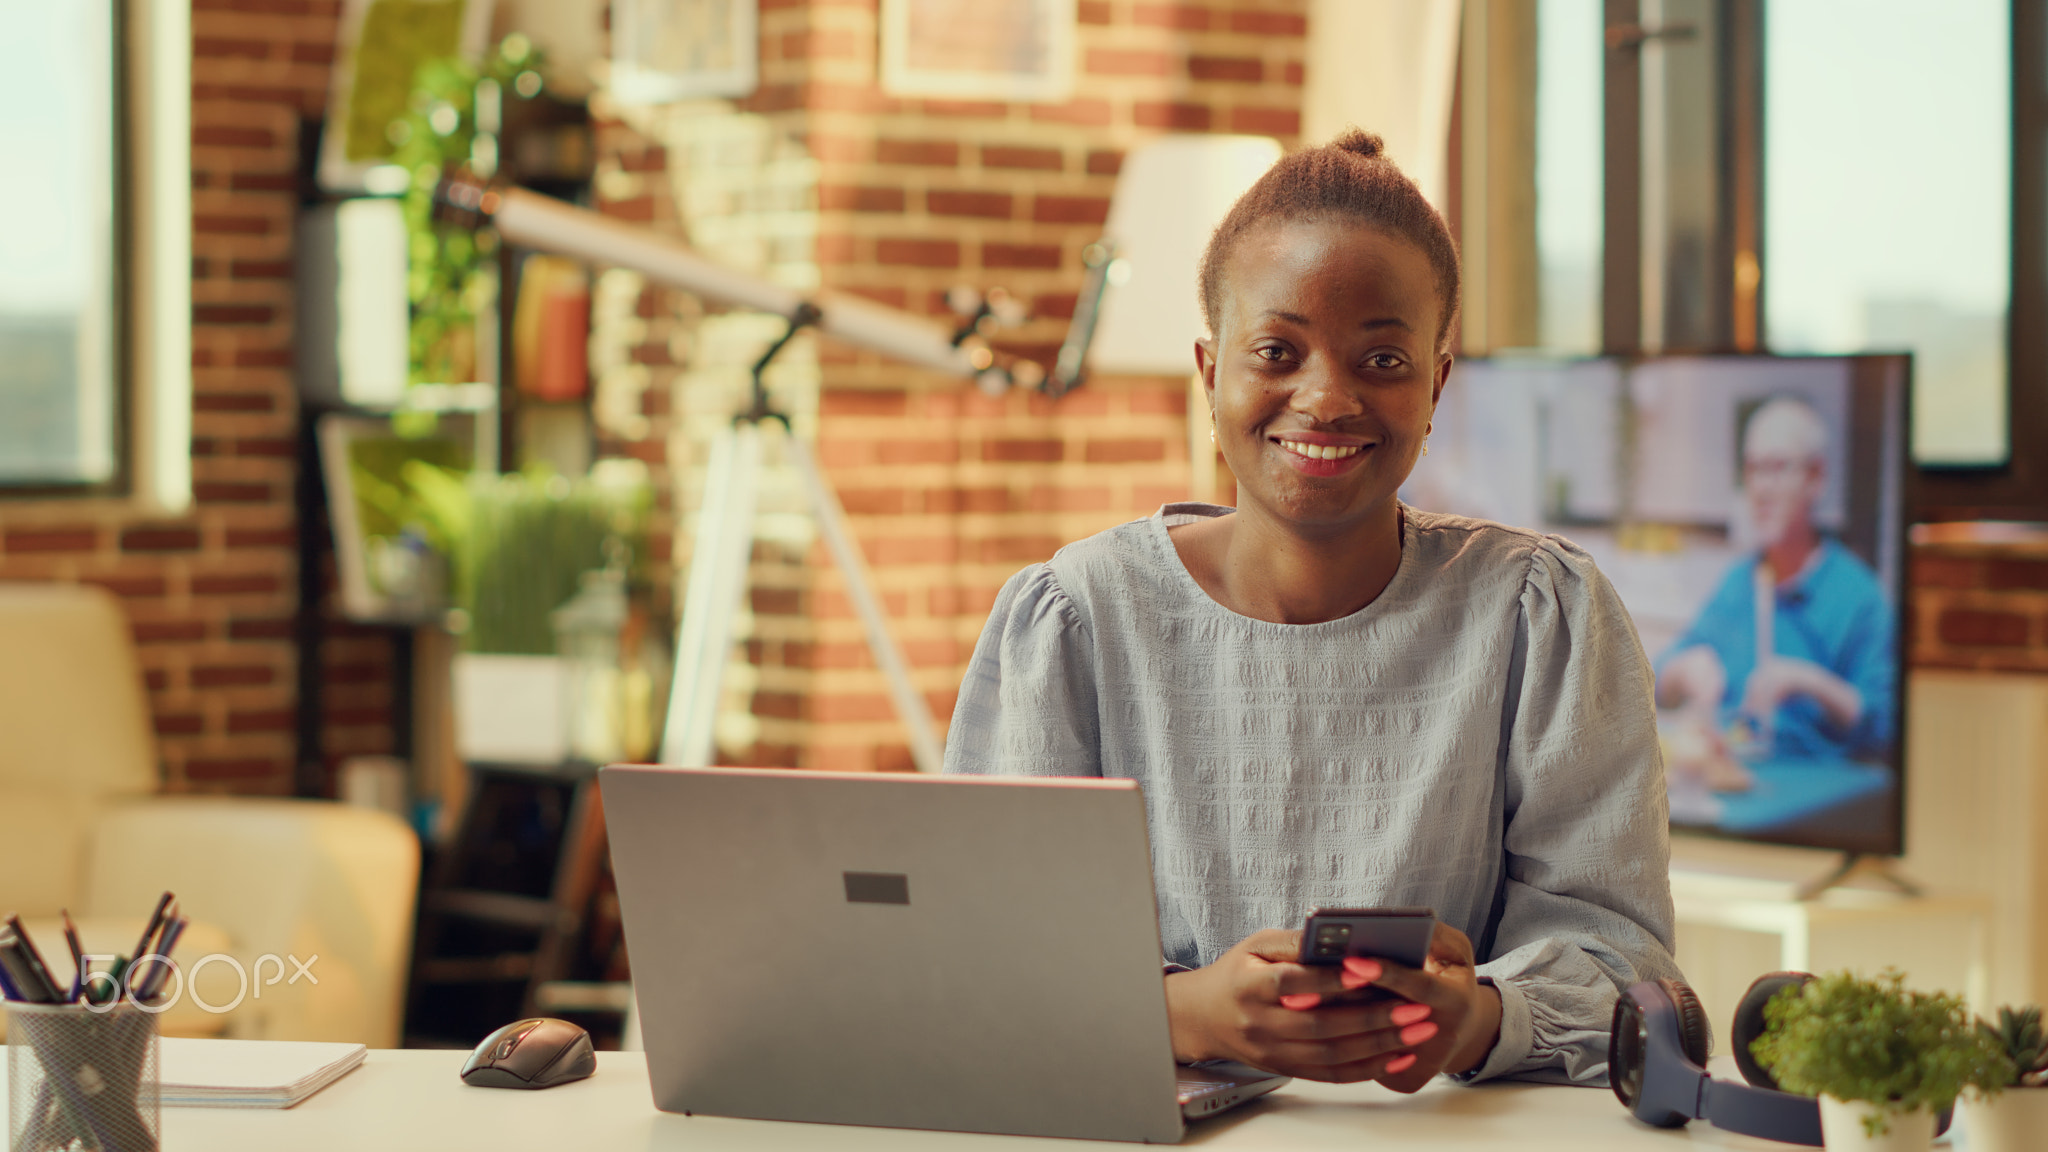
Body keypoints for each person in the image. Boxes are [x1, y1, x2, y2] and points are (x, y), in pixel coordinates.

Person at [943, 130, 1679, 1090]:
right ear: (1210, 374)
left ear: (1435, 385)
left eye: (1381, 357)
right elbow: (980, 962)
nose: (1326, 399)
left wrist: (1482, 1019)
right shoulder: (1076, 618)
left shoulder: (1539, 617)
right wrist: (1187, 1010)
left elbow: (1627, 968)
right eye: (1276, 351)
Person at [1656, 397, 1895, 786]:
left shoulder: (1861, 599)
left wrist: (1810, 683)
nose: (1762, 488)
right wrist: (1682, 671)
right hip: (1734, 788)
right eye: (1753, 469)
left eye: (1779, 467)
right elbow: (1657, 684)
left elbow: (1885, 729)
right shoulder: (1739, 583)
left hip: (1814, 803)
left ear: (1815, 478)